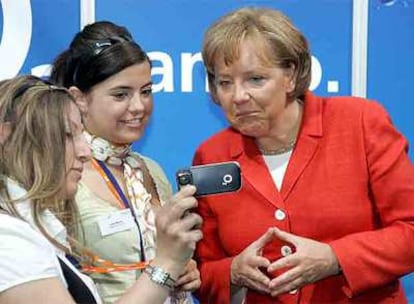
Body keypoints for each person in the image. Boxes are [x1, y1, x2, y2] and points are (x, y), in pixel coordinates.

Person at [193, 7, 414, 304]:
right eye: (224, 82)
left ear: (291, 76)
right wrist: (232, 272)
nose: (238, 96)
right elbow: (200, 274)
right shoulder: (211, 155)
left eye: (255, 79)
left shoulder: (360, 123)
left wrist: (335, 257)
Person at [0, 75, 202, 304]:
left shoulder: (30, 230)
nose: (85, 151)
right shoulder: (8, 238)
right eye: (68, 135)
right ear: (7, 136)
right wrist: (166, 263)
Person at [50, 21, 200, 303]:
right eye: (121, 94)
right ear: (79, 98)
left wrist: (184, 270)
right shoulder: (61, 174)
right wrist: (164, 267)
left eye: (146, 91)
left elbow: (165, 261)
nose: (139, 107)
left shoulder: (150, 170)